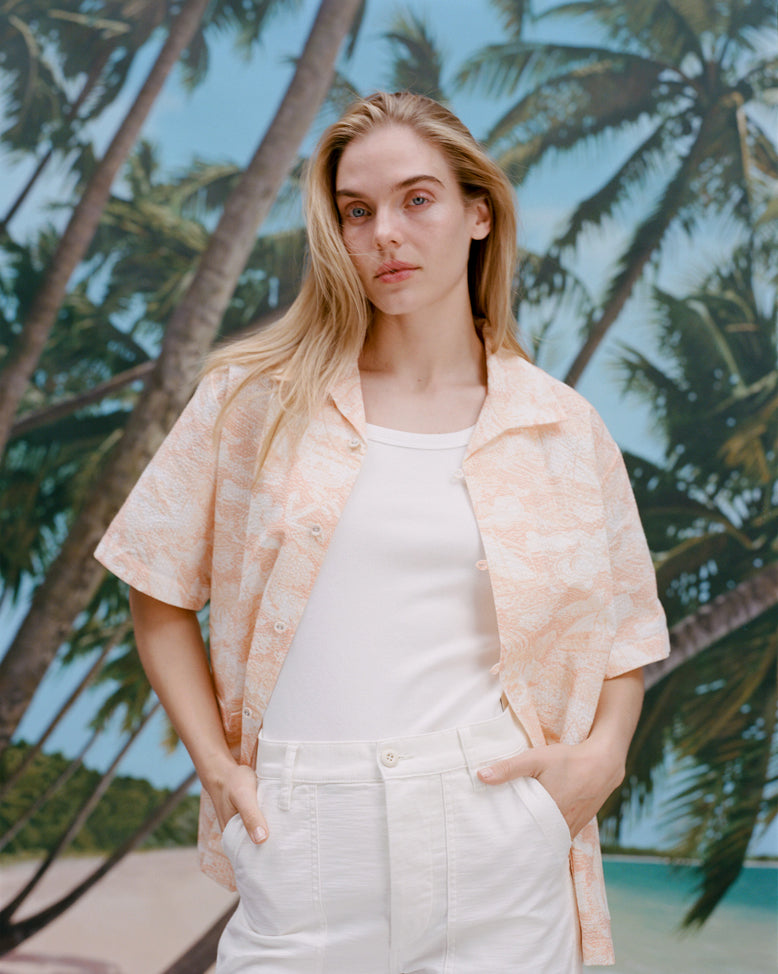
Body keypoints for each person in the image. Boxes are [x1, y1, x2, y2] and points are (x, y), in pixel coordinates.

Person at [95, 91, 670, 972]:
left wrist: (602, 758)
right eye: (355, 212)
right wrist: (218, 769)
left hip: (499, 835)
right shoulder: (254, 401)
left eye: (416, 200)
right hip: (305, 831)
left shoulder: (561, 425)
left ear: (479, 213)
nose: (384, 236)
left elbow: (627, 631)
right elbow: (156, 591)